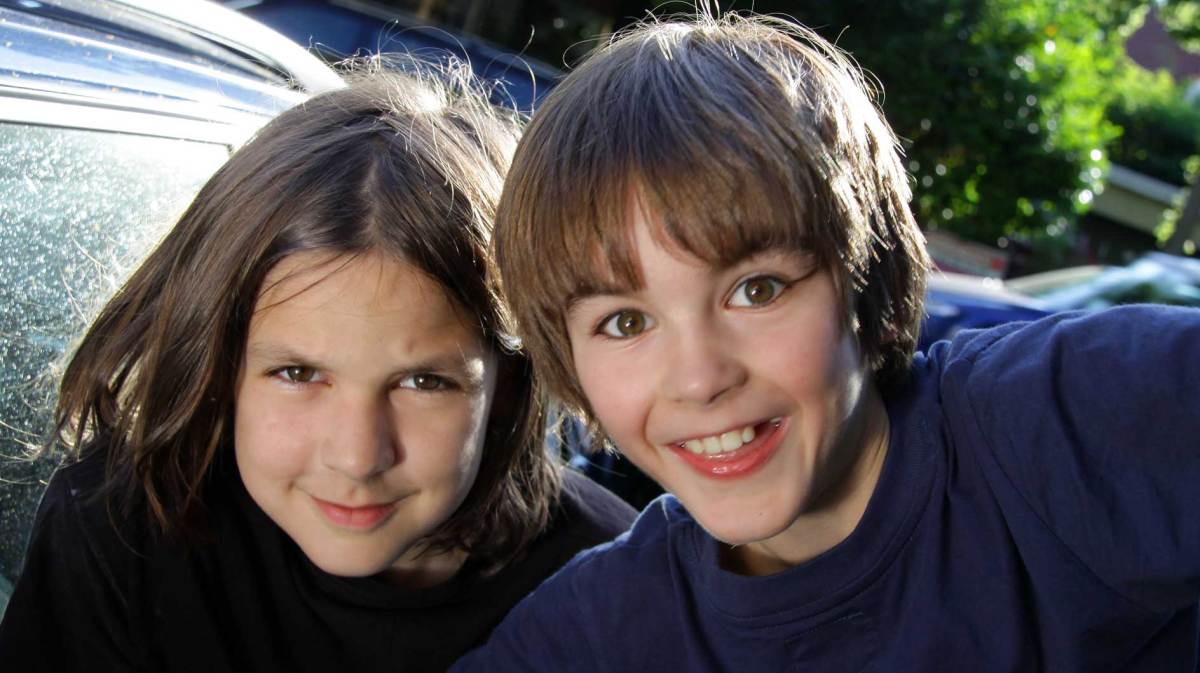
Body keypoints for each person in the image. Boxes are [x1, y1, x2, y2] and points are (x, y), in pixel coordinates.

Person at [452, 12, 1200, 672]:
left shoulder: (1062, 422)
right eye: (625, 321)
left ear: (865, 282)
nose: (699, 377)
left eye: (758, 289)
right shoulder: (596, 633)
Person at [0, 66, 635, 673]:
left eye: (424, 382)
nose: (357, 458)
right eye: (298, 374)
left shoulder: (616, 586)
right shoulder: (123, 527)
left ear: (506, 386)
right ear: (220, 365)